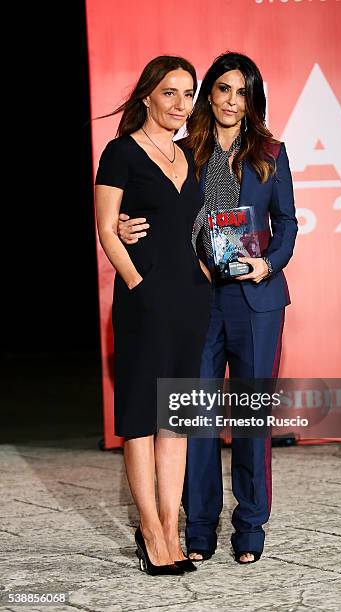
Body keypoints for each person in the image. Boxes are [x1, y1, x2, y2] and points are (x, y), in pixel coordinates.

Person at [118, 52, 297, 564]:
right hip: (195, 299)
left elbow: (287, 223)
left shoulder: (270, 151)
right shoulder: (181, 152)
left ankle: (250, 529)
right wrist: (127, 227)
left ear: (252, 99)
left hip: (256, 301)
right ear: (209, 95)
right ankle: (197, 529)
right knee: (191, 417)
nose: (231, 101)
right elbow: (153, 211)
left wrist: (267, 266)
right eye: (222, 89)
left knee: (249, 419)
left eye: (241, 92)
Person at [95, 55, 212, 576]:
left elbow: (202, 225)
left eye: (188, 95)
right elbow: (105, 228)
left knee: (177, 420)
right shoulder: (120, 153)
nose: (180, 105)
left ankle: (172, 526)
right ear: (147, 95)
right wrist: (139, 285)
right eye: (170, 93)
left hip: (191, 300)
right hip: (144, 300)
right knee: (143, 418)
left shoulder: (191, 153)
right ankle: (150, 530)